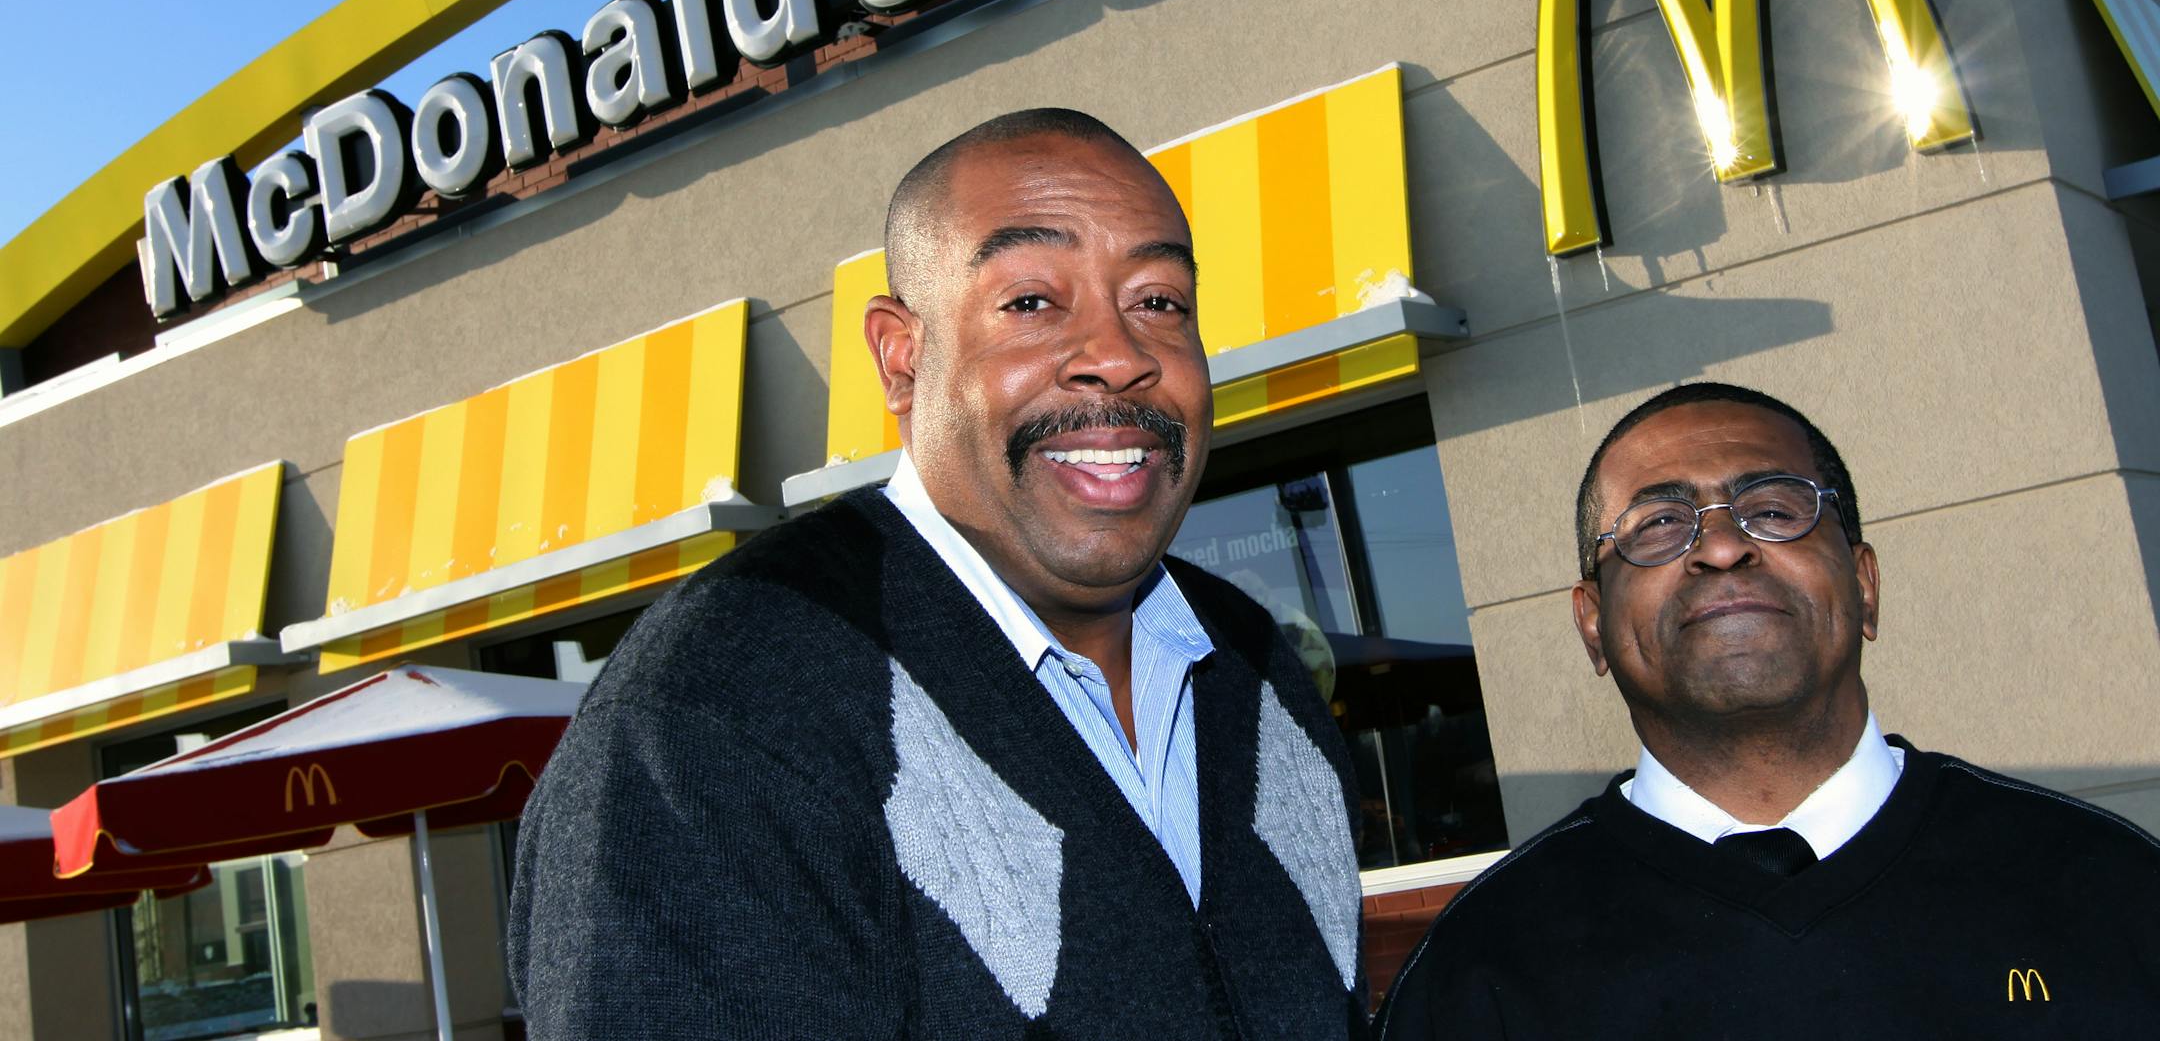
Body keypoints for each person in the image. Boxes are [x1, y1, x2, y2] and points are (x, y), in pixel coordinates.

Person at [509, 109, 1368, 1038]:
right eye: (1032, 302)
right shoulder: (717, 710)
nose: (1120, 357)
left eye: (1159, 301)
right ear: (901, 358)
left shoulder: (1258, 671)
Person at [1377, 382, 2160, 1039]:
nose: (1720, 547)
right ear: (1593, 625)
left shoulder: (2110, 889)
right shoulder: (1477, 974)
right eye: (1658, 524)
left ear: (1865, 586)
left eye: (1776, 509)